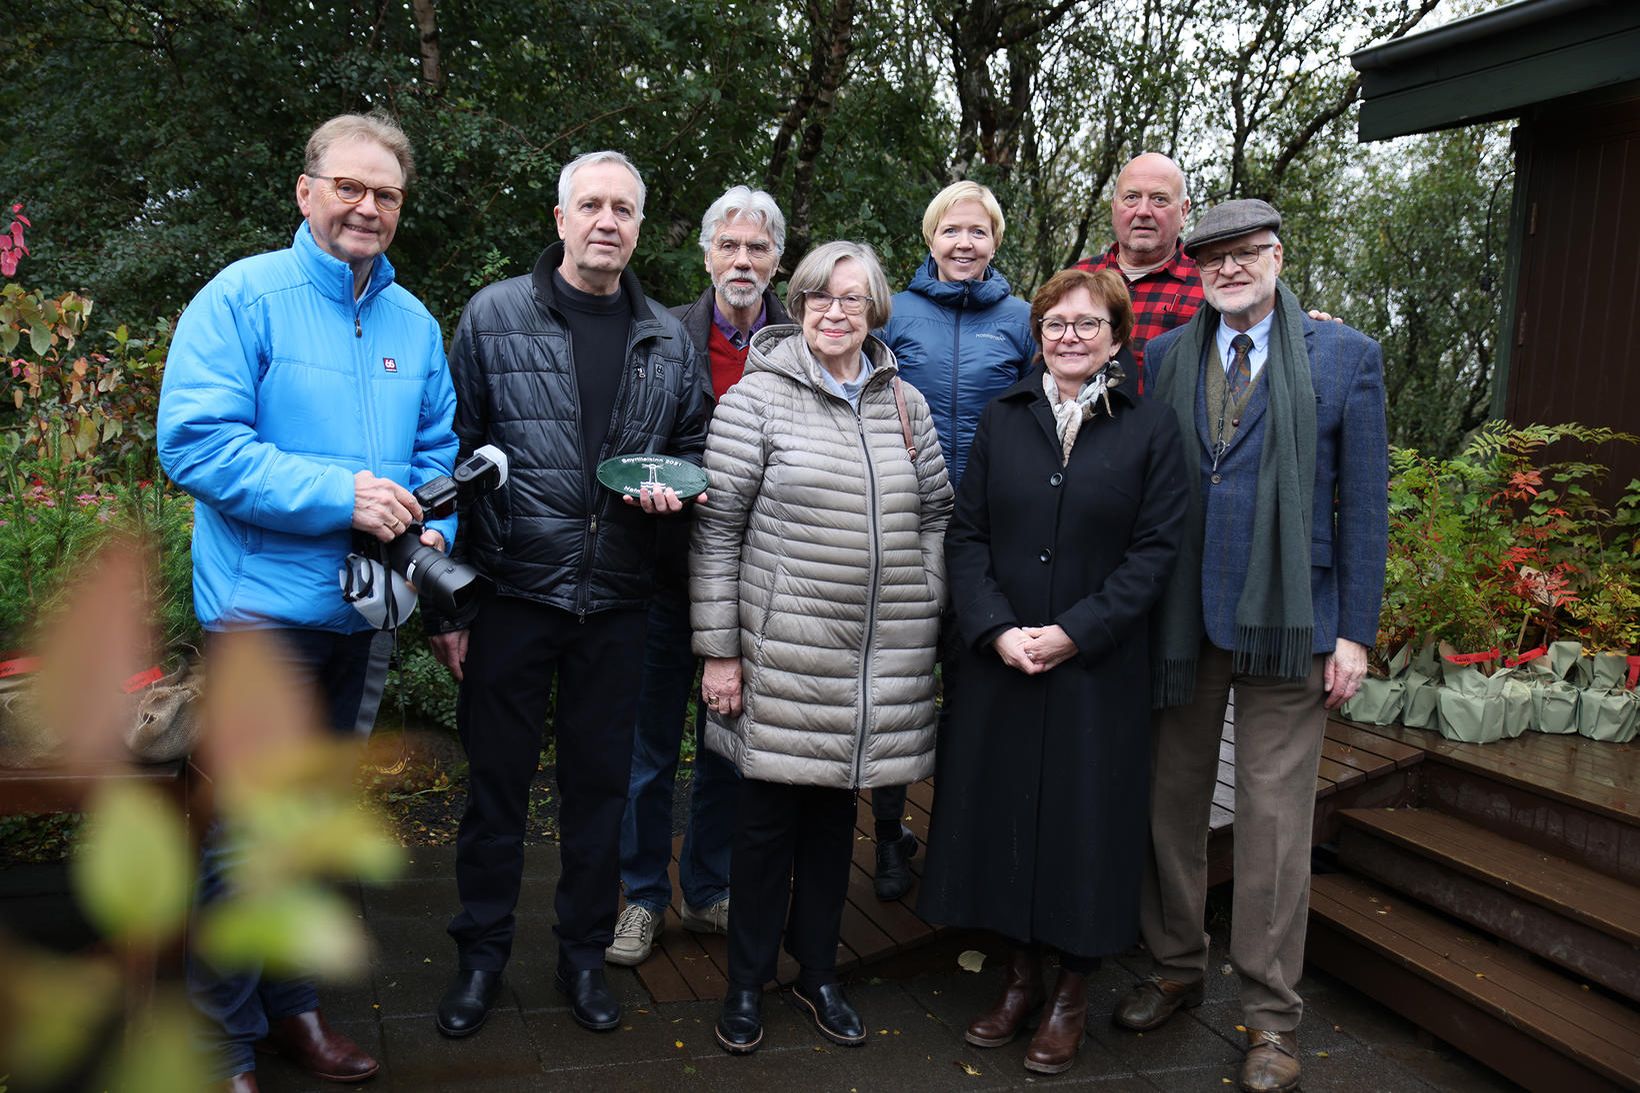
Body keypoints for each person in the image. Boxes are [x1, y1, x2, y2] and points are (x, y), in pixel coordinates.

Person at [157, 111, 457, 1092]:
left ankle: (293, 1012)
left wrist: (436, 530)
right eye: (350, 187)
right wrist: (341, 495)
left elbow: (435, 454)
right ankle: (221, 1042)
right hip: (263, 617)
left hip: (365, 611)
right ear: (307, 190)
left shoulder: (414, 323)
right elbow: (195, 445)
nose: (368, 207)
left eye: (387, 195)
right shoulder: (243, 298)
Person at [429, 151, 712, 1040]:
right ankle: (480, 958)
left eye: (624, 208)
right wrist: (452, 605)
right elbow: (452, 456)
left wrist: (673, 508)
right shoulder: (494, 316)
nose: (606, 221)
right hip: (513, 593)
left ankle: (584, 957)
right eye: (590, 204)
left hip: (621, 603)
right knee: (496, 792)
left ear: (638, 226)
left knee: (602, 794)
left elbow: (694, 458)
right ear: (559, 218)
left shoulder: (668, 339)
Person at [1120, 199, 1388, 1093]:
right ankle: (1174, 966)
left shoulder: (1344, 356)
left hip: (1293, 622)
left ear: (1277, 255)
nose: (1229, 269)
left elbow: (1365, 509)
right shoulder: (1163, 358)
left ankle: (1272, 1018)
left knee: (1275, 827)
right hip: (1181, 621)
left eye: (1245, 255)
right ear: (1196, 271)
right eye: (1214, 259)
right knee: (1171, 806)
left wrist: (1354, 631)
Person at [918, 267, 1187, 1075]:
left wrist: (1073, 633)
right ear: (1038, 333)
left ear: (1116, 336)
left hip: (1095, 669)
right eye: (1056, 323)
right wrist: (996, 628)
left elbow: (1154, 553)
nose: (1070, 336)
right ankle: (1019, 977)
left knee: (1082, 825)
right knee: (1002, 814)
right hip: (1003, 660)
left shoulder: (1151, 428)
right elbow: (965, 535)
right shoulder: (1004, 420)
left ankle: (1072, 990)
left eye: (1088, 323)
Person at [690, 241, 953, 1056]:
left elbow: (938, 513)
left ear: (875, 310)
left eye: (850, 299)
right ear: (798, 306)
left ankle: (817, 974)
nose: (833, 312)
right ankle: (745, 983)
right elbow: (716, 531)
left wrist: (927, 597)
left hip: (873, 664)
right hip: (780, 656)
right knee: (764, 826)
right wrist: (721, 651)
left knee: (836, 826)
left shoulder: (905, 405)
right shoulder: (755, 401)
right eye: (817, 298)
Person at [607, 186, 790, 967]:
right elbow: (626, 434)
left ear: (777, 258)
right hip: (662, 575)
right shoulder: (658, 332)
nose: (742, 261)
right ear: (706, 254)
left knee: (726, 747)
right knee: (647, 753)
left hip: (756, 583)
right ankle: (642, 897)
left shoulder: (802, 336)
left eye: (758, 248)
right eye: (730, 246)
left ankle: (706, 887)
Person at [870, 180, 1034, 900]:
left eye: (979, 231)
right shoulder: (892, 313)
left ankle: (961, 840)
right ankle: (886, 838)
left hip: (988, 538)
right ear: (930, 239)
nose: (964, 243)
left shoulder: (1025, 319)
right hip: (905, 527)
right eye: (951, 230)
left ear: (996, 241)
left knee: (975, 692)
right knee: (899, 687)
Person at [1070, 152, 1201, 387]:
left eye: (1159, 199)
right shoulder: (1077, 278)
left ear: (1183, 211)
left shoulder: (1207, 285)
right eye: (1131, 197)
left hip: (1168, 423)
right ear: (1114, 207)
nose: (1143, 211)